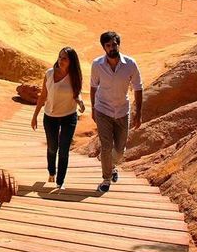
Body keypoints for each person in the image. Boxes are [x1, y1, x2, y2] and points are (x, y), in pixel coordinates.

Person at [89, 30, 143, 193]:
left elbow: (138, 87)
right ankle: (106, 179)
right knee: (106, 146)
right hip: (102, 109)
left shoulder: (130, 64)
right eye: (108, 45)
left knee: (119, 150)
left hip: (122, 110)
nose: (112, 48)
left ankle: (110, 164)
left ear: (118, 44)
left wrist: (138, 113)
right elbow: (93, 86)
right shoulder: (97, 64)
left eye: (114, 44)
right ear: (104, 47)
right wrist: (93, 108)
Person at [32, 47, 86, 190]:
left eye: (64, 58)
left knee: (63, 150)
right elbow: (43, 96)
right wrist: (35, 115)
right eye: (60, 57)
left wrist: (80, 101)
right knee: (52, 147)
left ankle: (60, 182)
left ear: (71, 62)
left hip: (69, 116)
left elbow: (77, 93)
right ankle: (51, 172)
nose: (61, 61)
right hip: (50, 116)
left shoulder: (75, 76)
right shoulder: (49, 74)